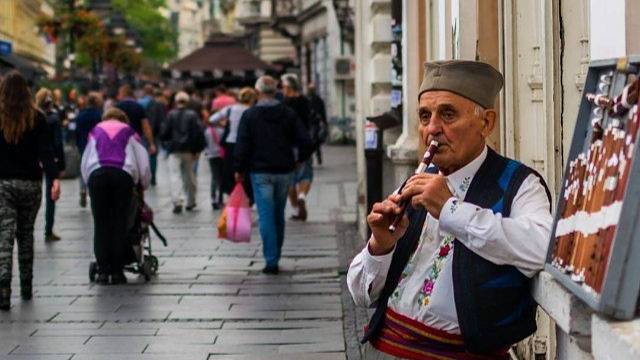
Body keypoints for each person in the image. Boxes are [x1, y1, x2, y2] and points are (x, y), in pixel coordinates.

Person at [347, 60, 553, 359]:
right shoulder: (414, 183)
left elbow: (543, 248)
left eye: (447, 114)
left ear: (487, 123)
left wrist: (450, 209)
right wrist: (380, 246)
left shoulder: (519, 184)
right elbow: (361, 295)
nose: (432, 129)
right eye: (425, 116)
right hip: (389, 348)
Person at [234, 76, 314, 275]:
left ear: (258, 91)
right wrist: (299, 160)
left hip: (260, 171)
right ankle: (275, 254)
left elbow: (243, 144)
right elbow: (305, 140)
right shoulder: (287, 113)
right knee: (278, 213)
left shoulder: (250, 115)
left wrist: (239, 168)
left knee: (266, 215)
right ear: (276, 90)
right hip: (284, 170)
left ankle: (271, 259)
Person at [0, 71, 61, 309]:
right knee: (25, 235)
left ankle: (3, 286)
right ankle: (26, 286)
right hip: (31, 185)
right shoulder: (37, 118)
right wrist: (54, 179)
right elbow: (46, 153)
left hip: (2, 184)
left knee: (3, 236)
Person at [80, 107, 150, 285]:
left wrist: (88, 182)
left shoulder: (95, 131)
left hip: (98, 176)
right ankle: (117, 271)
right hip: (122, 176)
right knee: (119, 222)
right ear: (123, 119)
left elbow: (85, 159)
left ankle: (103, 271)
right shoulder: (129, 132)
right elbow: (143, 162)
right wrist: (143, 184)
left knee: (101, 223)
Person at [160, 91, 205, 214]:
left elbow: (164, 133)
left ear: (176, 101)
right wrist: (197, 149)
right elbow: (198, 133)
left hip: (174, 149)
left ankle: (177, 201)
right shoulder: (192, 115)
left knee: (175, 175)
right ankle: (191, 201)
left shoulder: (171, 114)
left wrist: (165, 144)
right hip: (189, 150)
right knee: (189, 176)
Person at [209, 87, 257, 199]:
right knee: (248, 170)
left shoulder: (230, 109)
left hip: (231, 143)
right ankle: (248, 195)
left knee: (231, 170)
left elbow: (212, 119)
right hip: (248, 144)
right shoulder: (252, 110)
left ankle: (233, 194)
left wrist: (223, 125)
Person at [281, 74, 314, 221]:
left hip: (288, 145)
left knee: (290, 179)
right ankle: (302, 196)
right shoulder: (305, 101)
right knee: (306, 174)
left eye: (283, 86)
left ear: (288, 87)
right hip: (304, 142)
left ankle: (295, 209)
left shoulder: (284, 104)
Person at [35, 88, 66, 242]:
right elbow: (58, 143)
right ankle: (48, 230)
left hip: (33, 160)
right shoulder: (54, 119)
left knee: (33, 196)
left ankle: (29, 227)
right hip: (51, 159)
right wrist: (61, 165)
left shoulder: (32, 117)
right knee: (51, 195)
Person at [75, 92, 103, 207]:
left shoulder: (81, 115)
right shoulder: (98, 115)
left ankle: (82, 188)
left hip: (83, 145)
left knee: (83, 167)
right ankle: (92, 191)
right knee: (94, 167)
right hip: (95, 146)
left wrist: (78, 144)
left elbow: (76, 132)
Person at [115, 84, 157, 156]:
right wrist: (151, 144)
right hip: (136, 140)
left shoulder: (117, 107)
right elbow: (146, 127)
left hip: (120, 141)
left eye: (119, 93)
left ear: (123, 93)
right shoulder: (139, 107)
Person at [138, 85, 166, 186]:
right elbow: (162, 120)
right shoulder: (158, 104)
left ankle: (144, 177)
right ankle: (152, 177)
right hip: (154, 134)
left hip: (141, 133)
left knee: (142, 155)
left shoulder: (139, 103)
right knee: (153, 155)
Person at [203, 114, 225, 210]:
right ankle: (219, 199)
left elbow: (205, 144)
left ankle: (213, 198)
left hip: (211, 156)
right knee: (221, 177)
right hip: (221, 156)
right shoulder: (222, 131)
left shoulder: (207, 131)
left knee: (214, 177)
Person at [306, 83, 329, 165]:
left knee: (314, 140)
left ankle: (315, 157)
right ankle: (315, 157)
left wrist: (324, 122)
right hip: (310, 123)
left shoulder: (317, 100)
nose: (310, 91)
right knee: (314, 141)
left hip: (314, 123)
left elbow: (322, 112)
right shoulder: (307, 99)